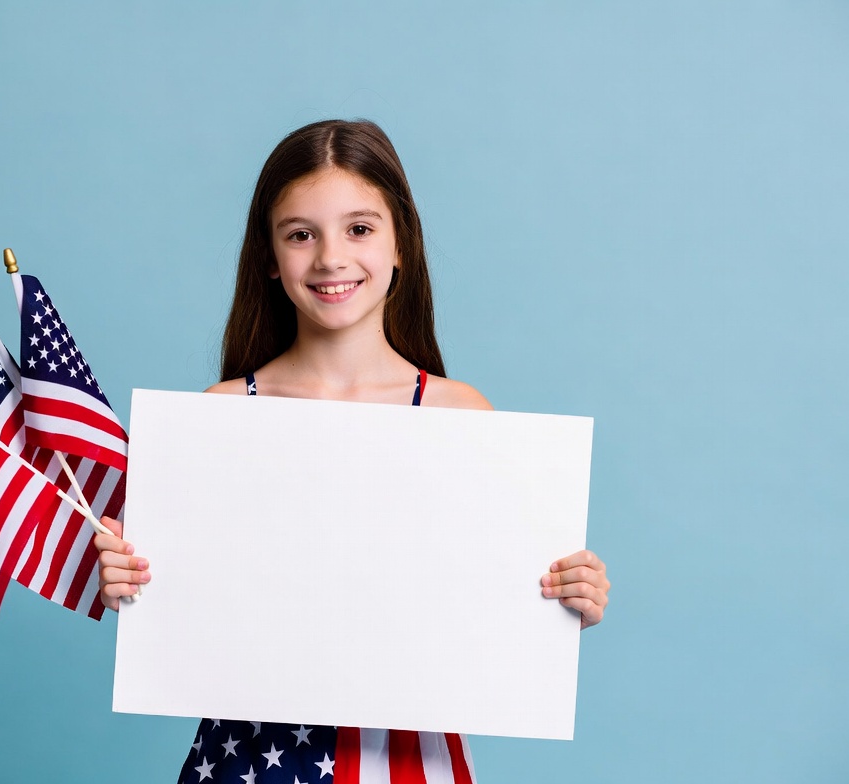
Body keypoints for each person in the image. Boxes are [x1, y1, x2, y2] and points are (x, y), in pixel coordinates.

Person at [93, 119, 611, 783]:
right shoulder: (221, 416)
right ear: (270, 259)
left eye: (359, 228)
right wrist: (132, 577)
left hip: (407, 760)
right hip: (248, 758)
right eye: (301, 234)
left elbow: (494, 608)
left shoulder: (462, 414)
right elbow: (184, 612)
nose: (331, 257)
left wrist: (566, 599)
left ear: (402, 245)